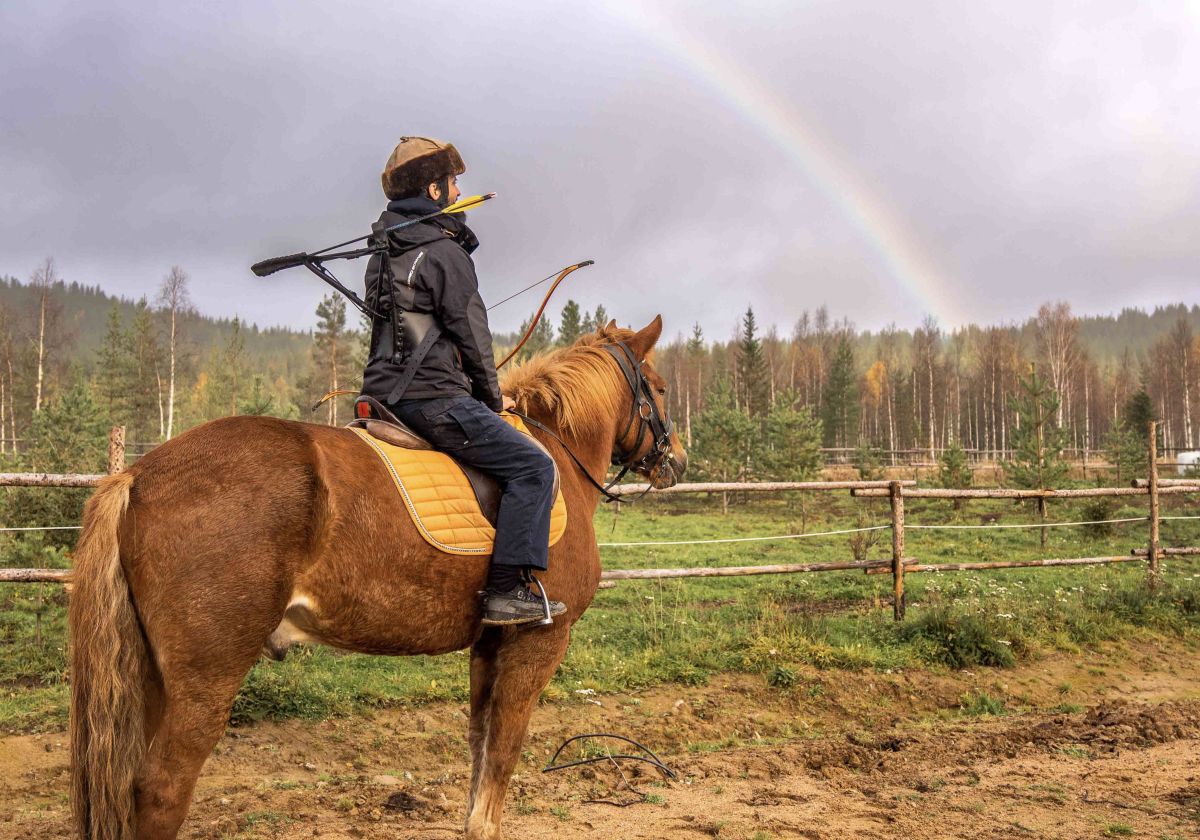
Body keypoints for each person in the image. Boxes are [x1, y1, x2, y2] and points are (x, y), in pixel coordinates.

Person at [361, 136, 565, 626]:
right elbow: (472, 335)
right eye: (452, 183)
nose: (458, 192)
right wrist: (493, 400)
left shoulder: (381, 255)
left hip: (382, 396)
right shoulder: (444, 253)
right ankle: (506, 591)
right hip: (433, 401)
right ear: (433, 190)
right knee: (535, 467)